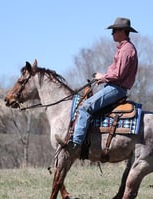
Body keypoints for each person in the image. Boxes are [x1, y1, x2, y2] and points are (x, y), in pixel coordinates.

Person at [56, 17, 138, 154]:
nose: (112, 34)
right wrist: (104, 79)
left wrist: (103, 77)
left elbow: (118, 75)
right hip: (113, 86)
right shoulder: (123, 48)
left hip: (116, 89)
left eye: (114, 31)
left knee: (86, 107)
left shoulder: (126, 50)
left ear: (123, 31)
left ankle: (76, 143)